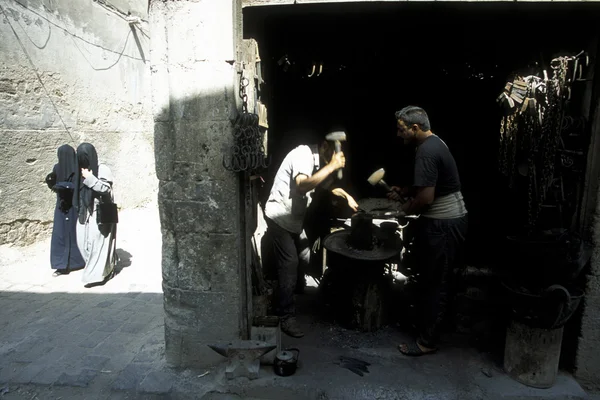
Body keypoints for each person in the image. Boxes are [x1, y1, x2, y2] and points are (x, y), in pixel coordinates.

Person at [388, 106, 468, 356]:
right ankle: (427, 327)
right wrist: (406, 191)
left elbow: (427, 197)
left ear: (415, 128)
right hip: (446, 223)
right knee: (433, 279)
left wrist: (404, 208)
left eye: (401, 130)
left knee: (436, 283)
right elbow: (430, 185)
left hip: (443, 225)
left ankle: (427, 341)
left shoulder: (425, 152)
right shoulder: (435, 143)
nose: (398, 135)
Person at [265, 135, 359, 338]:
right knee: (289, 263)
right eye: (333, 153)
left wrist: (347, 197)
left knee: (305, 256)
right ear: (324, 146)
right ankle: (284, 315)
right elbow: (302, 185)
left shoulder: (320, 162)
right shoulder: (303, 155)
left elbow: (329, 186)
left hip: (294, 221)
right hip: (279, 217)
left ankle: (289, 294)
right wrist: (332, 166)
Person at [75, 143, 118, 288]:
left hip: (99, 213)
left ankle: (97, 275)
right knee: (82, 242)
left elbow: (105, 188)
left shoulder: (102, 169)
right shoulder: (80, 169)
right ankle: (104, 265)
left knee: (98, 243)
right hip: (84, 212)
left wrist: (90, 177)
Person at [45, 144, 85, 276]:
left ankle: (77, 262)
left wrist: (63, 186)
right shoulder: (57, 167)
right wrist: (51, 181)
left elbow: (77, 186)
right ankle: (60, 264)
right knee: (60, 235)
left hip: (74, 205)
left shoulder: (78, 169)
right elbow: (54, 181)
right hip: (61, 207)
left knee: (75, 234)